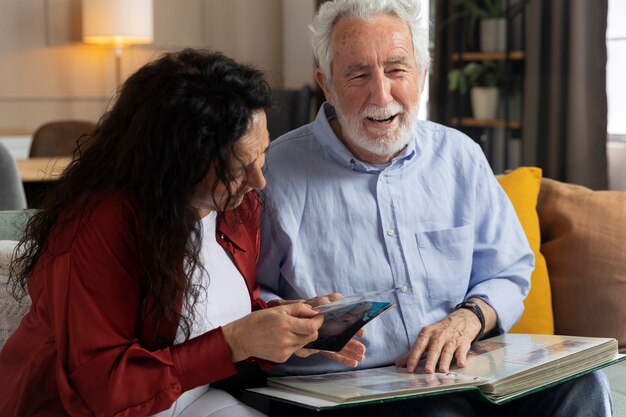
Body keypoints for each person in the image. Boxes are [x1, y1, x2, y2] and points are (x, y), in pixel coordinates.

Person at [256, 0, 613, 415]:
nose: (382, 93)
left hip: (465, 371)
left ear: (422, 76)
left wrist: (470, 318)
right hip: (352, 389)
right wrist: (285, 324)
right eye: (358, 74)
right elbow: (244, 301)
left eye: (396, 69)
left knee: (584, 385)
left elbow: (509, 268)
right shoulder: (269, 174)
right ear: (327, 84)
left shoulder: (460, 156)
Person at [0, 49, 364, 417]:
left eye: (263, 154)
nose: (259, 181)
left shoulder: (237, 207)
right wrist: (236, 341)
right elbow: (101, 388)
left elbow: (209, 314)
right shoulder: (97, 226)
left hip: (190, 400)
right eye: (239, 168)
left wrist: (282, 327)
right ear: (179, 161)